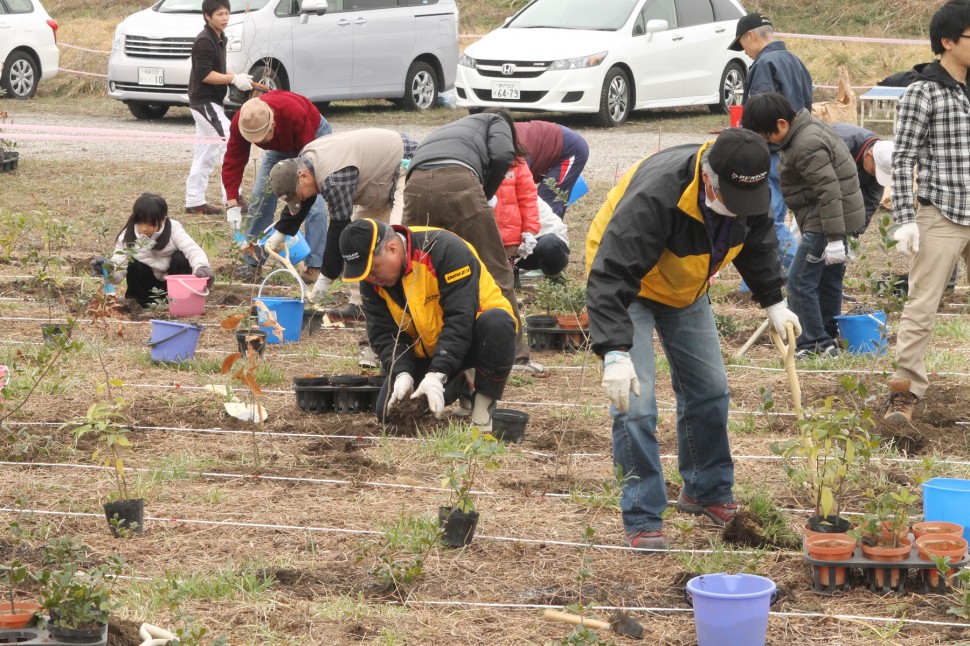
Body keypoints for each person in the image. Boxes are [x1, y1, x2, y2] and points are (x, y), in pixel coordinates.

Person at [585, 128, 801, 551]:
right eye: (731, 202)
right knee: (636, 404)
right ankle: (643, 514)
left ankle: (705, 490)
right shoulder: (658, 195)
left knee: (710, 390)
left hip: (685, 287)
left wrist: (773, 298)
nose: (739, 211)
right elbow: (611, 276)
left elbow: (758, 240)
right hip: (630, 284)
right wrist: (614, 350)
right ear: (708, 179)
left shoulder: (745, 185)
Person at [339, 219, 517, 432]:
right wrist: (401, 372)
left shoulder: (446, 250)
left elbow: (459, 319)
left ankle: (483, 406)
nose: (371, 278)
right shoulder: (372, 282)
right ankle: (462, 381)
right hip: (428, 350)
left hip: (474, 339)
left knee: (497, 322)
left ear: (392, 248)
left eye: (373, 269)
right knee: (389, 414)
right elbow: (384, 333)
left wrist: (437, 374)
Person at [884, 0, 970, 422]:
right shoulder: (923, 91)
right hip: (943, 212)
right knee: (922, 305)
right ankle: (905, 391)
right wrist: (904, 218)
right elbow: (903, 159)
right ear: (948, 41)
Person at [403, 111, 539, 372]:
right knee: (495, 267)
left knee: (412, 267)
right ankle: (515, 356)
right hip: (458, 180)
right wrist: (485, 193)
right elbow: (501, 155)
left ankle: (409, 352)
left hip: (416, 182)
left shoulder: (451, 128)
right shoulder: (496, 120)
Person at [742, 93, 864, 359]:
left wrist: (832, 239)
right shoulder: (809, 129)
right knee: (828, 279)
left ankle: (813, 342)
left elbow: (829, 191)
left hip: (825, 222)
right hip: (833, 219)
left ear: (782, 124)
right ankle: (828, 338)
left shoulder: (806, 144)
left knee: (798, 281)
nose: (766, 141)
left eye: (766, 135)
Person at [729, 12, 813, 272]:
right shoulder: (795, 61)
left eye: (742, 44)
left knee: (768, 219)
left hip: (770, 152)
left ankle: (803, 270)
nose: (744, 52)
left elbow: (761, 115)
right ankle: (753, 280)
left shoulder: (765, 64)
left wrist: (748, 148)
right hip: (794, 148)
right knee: (773, 217)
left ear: (750, 36)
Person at [222, 91, 332, 281]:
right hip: (278, 150)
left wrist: (293, 204)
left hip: (312, 138)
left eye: (261, 138)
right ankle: (252, 261)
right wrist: (232, 203)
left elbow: (307, 165)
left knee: (313, 203)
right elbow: (234, 160)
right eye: (253, 139)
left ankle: (316, 266)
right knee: (260, 197)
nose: (257, 143)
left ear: (272, 125)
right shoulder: (243, 120)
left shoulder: (293, 114)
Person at [184, 0, 253, 215]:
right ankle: (233, 197)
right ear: (207, 16)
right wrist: (233, 79)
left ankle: (194, 200)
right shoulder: (204, 41)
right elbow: (204, 75)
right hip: (204, 102)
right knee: (232, 143)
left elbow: (216, 70)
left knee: (206, 152)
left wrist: (235, 77)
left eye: (226, 13)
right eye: (219, 14)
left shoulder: (219, 37)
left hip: (211, 102)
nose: (224, 18)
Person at [90, 193, 215, 307]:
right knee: (134, 264)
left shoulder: (174, 229)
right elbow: (117, 276)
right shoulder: (126, 237)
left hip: (174, 285)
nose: (144, 228)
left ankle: (183, 301)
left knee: (181, 257)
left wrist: (201, 267)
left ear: (163, 220)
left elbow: (192, 250)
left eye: (150, 224)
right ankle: (137, 304)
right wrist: (108, 269)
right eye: (139, 223)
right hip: (146, 288)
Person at [512, 119, 589, 220]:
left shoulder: (517, 149)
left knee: (546, 205)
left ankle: (551, 234)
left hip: (570, 150)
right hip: (549, 146)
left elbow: (521, 190)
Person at [489, 135, 541, 281]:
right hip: (484, 234)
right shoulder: (478, 159)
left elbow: (528, 199)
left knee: (505, 281)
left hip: (510, 237)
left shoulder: (517, 163)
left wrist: (529, 231)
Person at [831, 123, 894, 234]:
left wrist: (855, 231)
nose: (875, 176)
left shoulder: (882, 158)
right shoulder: (841, 145)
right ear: (869, 155)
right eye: (875, 171)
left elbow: (871, 200)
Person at [516, 195, 570, 281]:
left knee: (548, 244)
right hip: (512, 251)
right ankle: (511, 273)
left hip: (542, 242)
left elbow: (552, 228)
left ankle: (555, 276)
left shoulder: (528, 196)